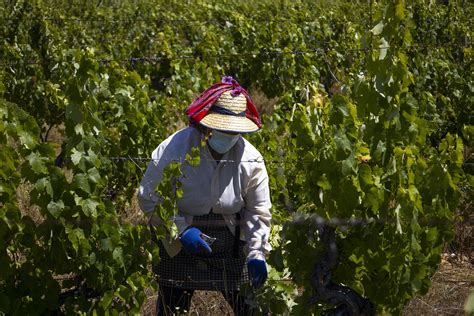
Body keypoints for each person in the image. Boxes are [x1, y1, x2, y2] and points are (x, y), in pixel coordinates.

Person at [138, 76, 272, 315]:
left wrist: (256, 252)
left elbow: (258, 210)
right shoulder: (174, 148)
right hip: (180, 244)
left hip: (231, 243)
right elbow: (149, 196)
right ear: (205, 125)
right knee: (171, 308)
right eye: (222, 130)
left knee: (250, 309)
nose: (228, 136)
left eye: (234, 132)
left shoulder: (251, 158)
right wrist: (180, 229)